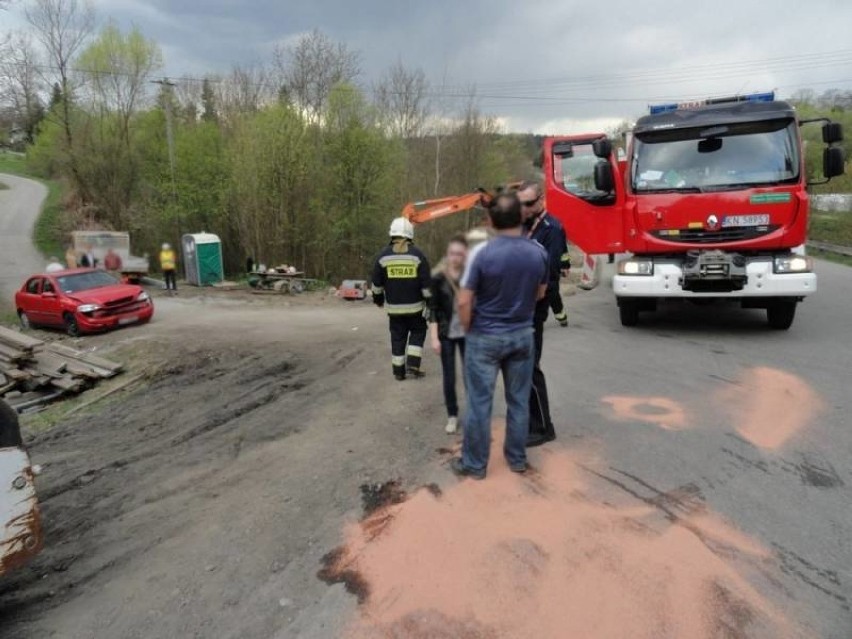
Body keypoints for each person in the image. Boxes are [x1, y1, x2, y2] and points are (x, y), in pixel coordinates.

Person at [450, 193, 548, 480]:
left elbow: (465, 301)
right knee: (518, 400)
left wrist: (469, 330)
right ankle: (517, 459)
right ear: (522, 216)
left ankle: (475, 465)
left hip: (486, 337)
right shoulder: (538, 251)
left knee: (480, 403)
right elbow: (541, 294)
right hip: (522, 335)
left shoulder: (482, 254)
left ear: (491, 220)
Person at [517, 181, 565, 447]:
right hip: (520, 307)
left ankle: (544, 427)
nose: (523, 208)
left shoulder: (552, 229)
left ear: (541, 201)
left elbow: (549, 274)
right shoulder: (523, 227)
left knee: (531, 367)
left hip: (535, 306)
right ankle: (531, 420)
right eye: (520, 203)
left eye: (528, 203)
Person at [371, 217, 431, 381]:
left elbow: (376, 284)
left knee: (397, 338)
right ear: (410, 235)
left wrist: (378, 300)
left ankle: (398, 372)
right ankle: (412, 364)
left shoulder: (382, 256)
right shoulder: (418, 256)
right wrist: (431, 303)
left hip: (394, 310)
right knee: (418, 332)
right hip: (416, 309)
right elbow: (426, 285)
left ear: (392, 234)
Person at [428, 233, 469, 434]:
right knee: (449, 376)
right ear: (447, 254)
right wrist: (434, 337)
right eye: (452, 253)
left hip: (468, 334)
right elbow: (433, 309)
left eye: (459, 254)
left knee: (471, 375)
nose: (455, 257)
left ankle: (473, 413)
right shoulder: (438, 278)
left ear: (465, 255)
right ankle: (452, 415)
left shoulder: (471, 276)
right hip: (446, 334)